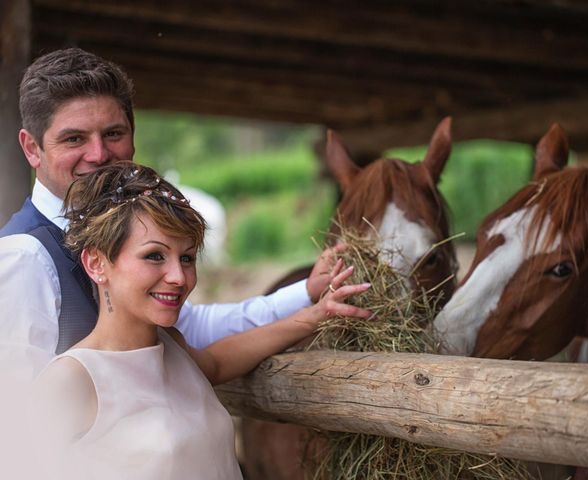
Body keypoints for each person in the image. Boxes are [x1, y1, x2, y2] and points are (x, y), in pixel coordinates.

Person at [0, 47, 337, 379]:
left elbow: (192, 327)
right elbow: (18, 416)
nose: (99, 154)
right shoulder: (23, 258)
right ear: (32, 148)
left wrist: (306, 292)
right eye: (74, 139)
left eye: (113, 133)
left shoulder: (127, 225)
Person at [29, 162, 371, 479]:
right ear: (96, 263)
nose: (178, 276)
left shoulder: (170, 344)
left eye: (187, 258)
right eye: (154, 256)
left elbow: (219, 361)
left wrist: (314, 315)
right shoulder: (71, 380)